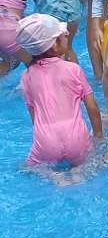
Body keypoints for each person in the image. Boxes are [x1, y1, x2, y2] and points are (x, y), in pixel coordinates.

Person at [17, 13, 102, 167]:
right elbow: (92, 107)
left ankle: (55, 177)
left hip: (46, 141)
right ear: (55, 45)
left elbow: (34, 116)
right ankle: (77, 174)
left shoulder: (26, 77)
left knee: (28, 167)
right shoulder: (73, 69)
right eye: (63, 36)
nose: (67, 35)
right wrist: (98, 135)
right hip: (76, 138)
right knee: (85, 164)